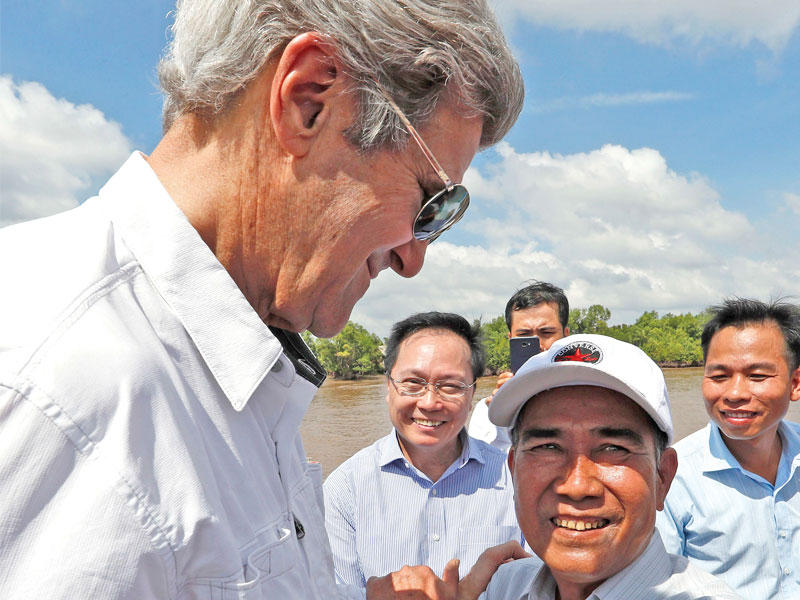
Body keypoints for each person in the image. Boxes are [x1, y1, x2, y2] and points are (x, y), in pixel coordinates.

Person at [0, 1, 526, 598]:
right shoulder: (55, 390)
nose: (414, 258)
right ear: (309, 100)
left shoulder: (227, 372)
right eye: (432, 203)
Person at [480, 334, 741, 600]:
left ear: (663, 476)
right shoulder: (504, 586)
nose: (578, 487)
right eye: (548, 447)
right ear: (513, 471)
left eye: (614, 449)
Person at [325, 312, 531, 591]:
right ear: (389, 387)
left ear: (472, 395)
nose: (430, 402)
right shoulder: (344, 491)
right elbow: (333, 592)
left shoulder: (516, 479)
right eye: (413, 383)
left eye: (450, 386)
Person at [656, 298, 800, 600]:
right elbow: (659, 587)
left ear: (795, 383)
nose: (734, 393)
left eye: (757, 376)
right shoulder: (671, 478)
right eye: (719, 376)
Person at [468, 281, 570, 451]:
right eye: (524, 335)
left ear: (565, 335)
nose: (538, 344)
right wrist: (505, 413)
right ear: (511, 338)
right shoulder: (487, 409)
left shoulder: (590, 392)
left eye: (547, 333)